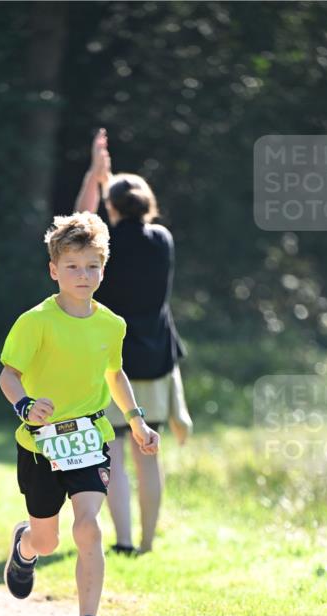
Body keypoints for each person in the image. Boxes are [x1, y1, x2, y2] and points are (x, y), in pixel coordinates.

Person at [0, 211, 160, 616]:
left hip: (91, 437)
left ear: (103, 270)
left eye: (92, 266)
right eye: (72, 266)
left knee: (88, 524)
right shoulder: (36, 322)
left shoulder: (111, 325)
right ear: (54, 270)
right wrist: (25, 406)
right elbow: (8, 375)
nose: (82, 275)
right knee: (47, 541)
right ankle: (25, 546)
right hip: (40, 443)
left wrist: (137, 420)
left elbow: (115, 373)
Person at [75, 128, 192, 554]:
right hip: (156, 359)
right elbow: (121, 219)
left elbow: (81, 226)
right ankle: (146, 544)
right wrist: (112, 189)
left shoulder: (104, 246)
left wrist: (95, 176)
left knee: (114, 453)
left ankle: (122, 542)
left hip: (112, 363)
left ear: (111, 207)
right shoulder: (163, 240)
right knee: (149, 455)